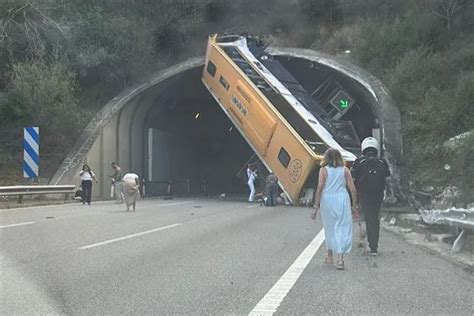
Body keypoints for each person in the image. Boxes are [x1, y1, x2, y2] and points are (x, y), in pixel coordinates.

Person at [312, 148, 358, 270]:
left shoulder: (323, 170)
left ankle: (329, 254)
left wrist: (315, 206)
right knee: (342, 227)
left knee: (330, 227)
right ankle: (340, 259)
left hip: (327, 200)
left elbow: (320, 186)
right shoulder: (345, 170)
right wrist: (355, 205)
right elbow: (352, 189)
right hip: (342, 199)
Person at [351, 137, 391, 256]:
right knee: (374, 218)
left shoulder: (359, 161)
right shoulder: (382, 162)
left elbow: (353, 177)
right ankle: (374, 245)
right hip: (378, 194)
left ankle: (370, 244)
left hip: (364, 194)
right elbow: (387, 176)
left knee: (369, 218)